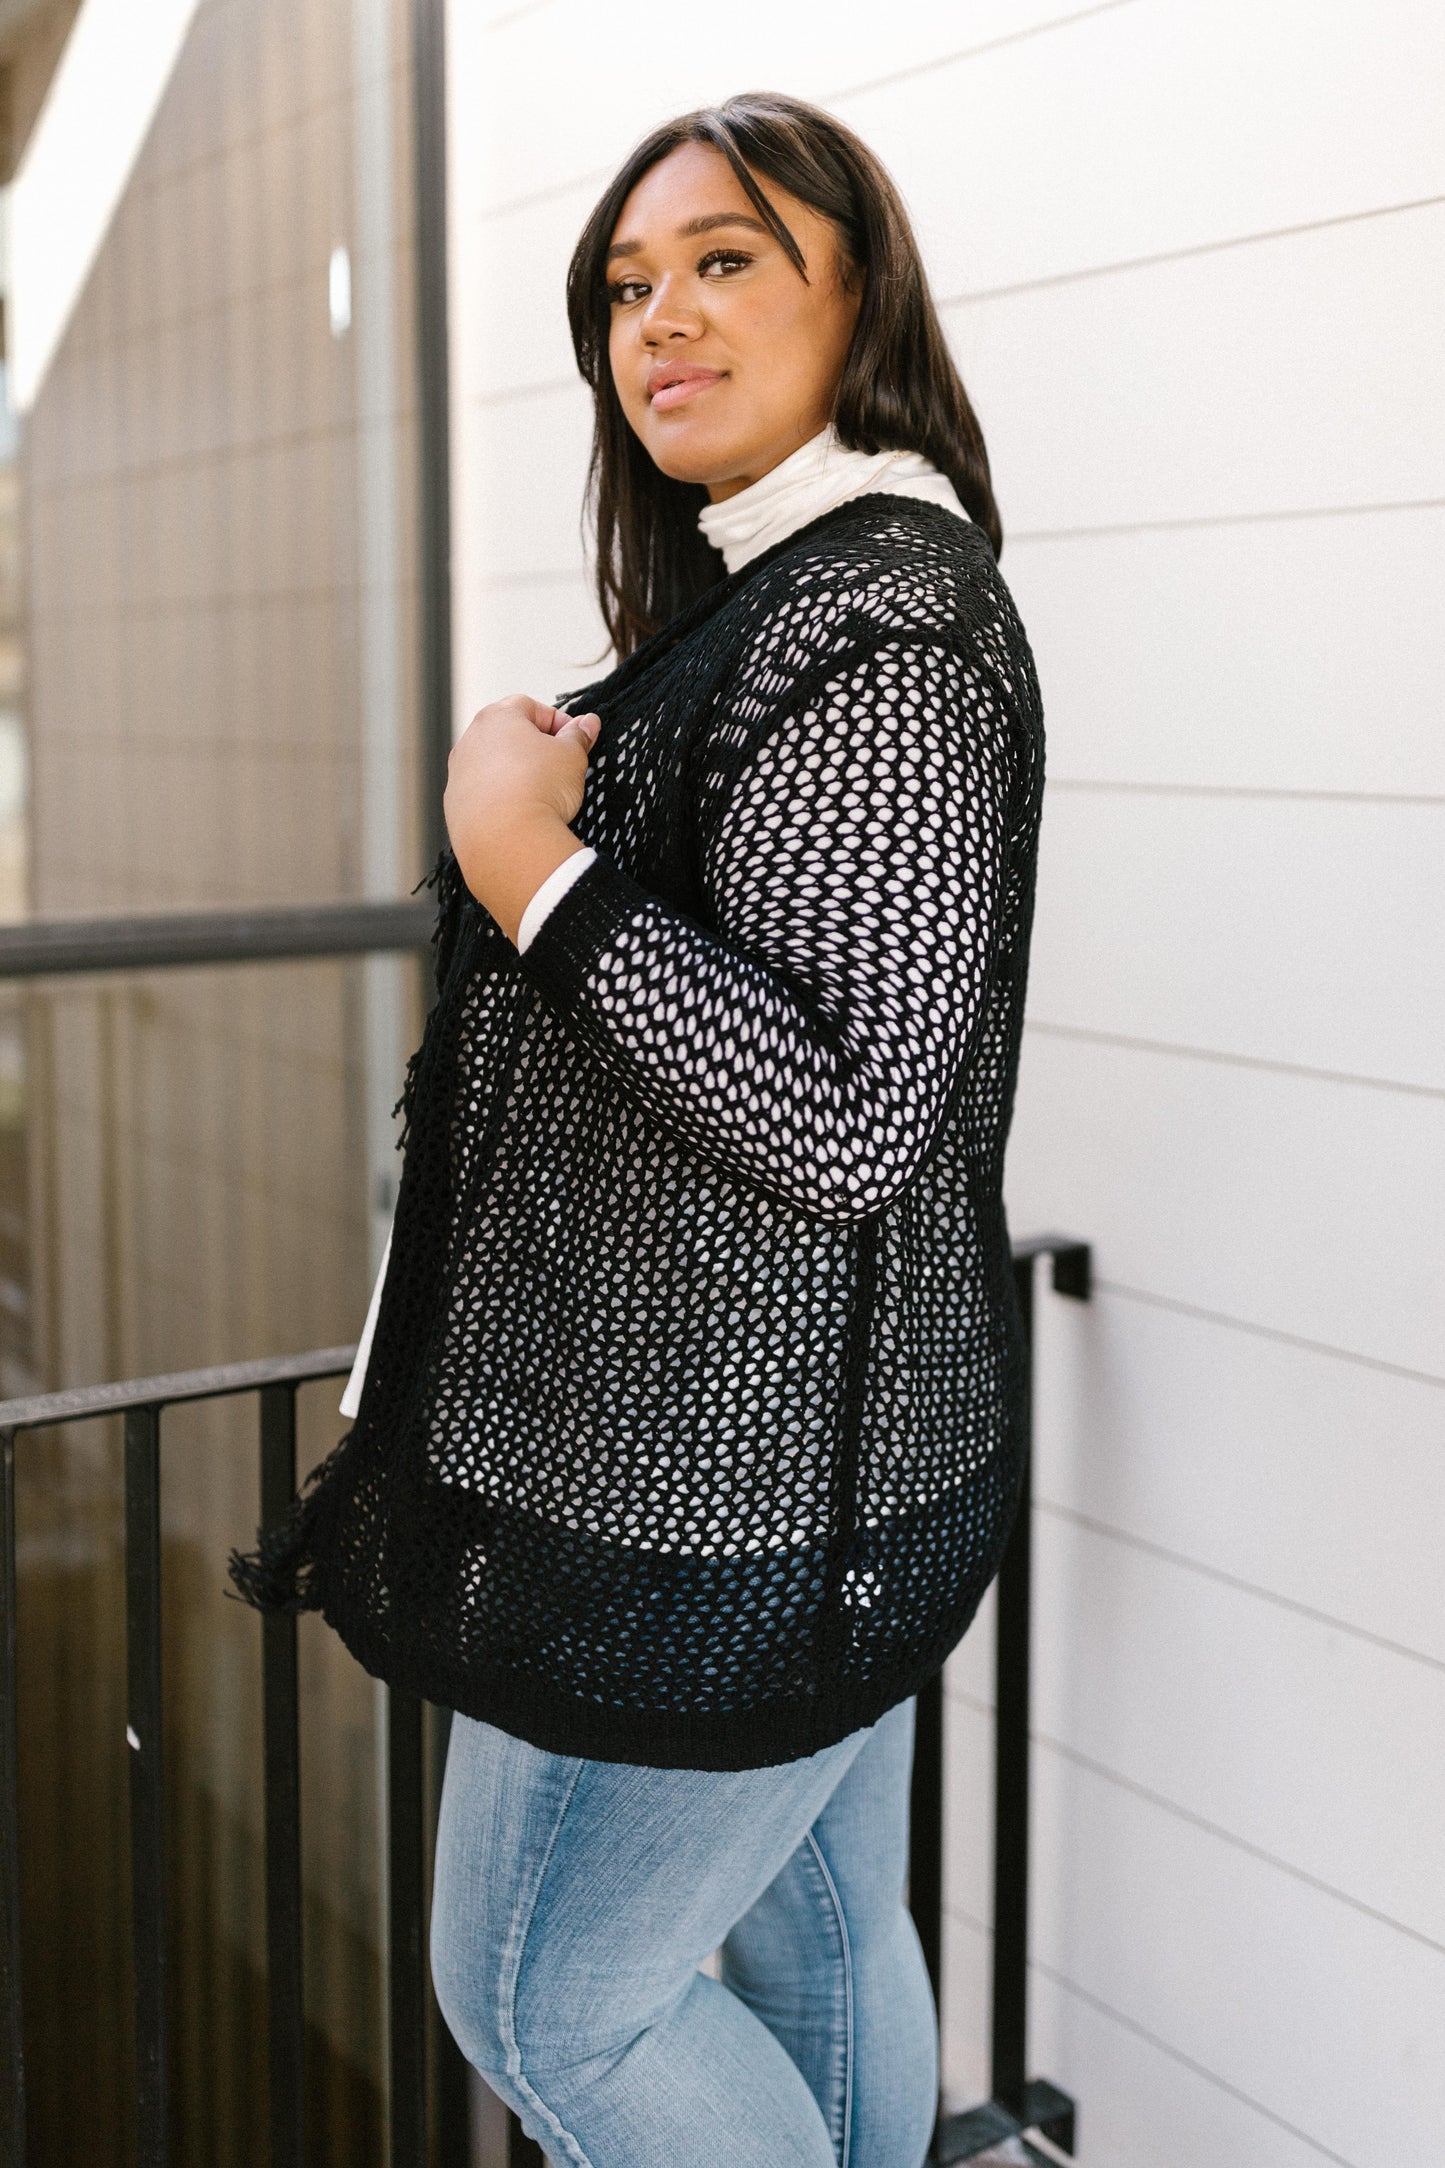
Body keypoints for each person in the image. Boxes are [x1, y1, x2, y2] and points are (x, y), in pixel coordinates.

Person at [232, 90, 1044, 2168]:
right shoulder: (776, 600)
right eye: (625, 283)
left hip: (727, 1512)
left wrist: (531, 864)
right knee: (817, 1944)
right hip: (811, 1474)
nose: (660, 316)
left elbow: (853, 1111)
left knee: (537, 1997)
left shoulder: (882, 627)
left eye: (727, 259)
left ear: (856, 286)